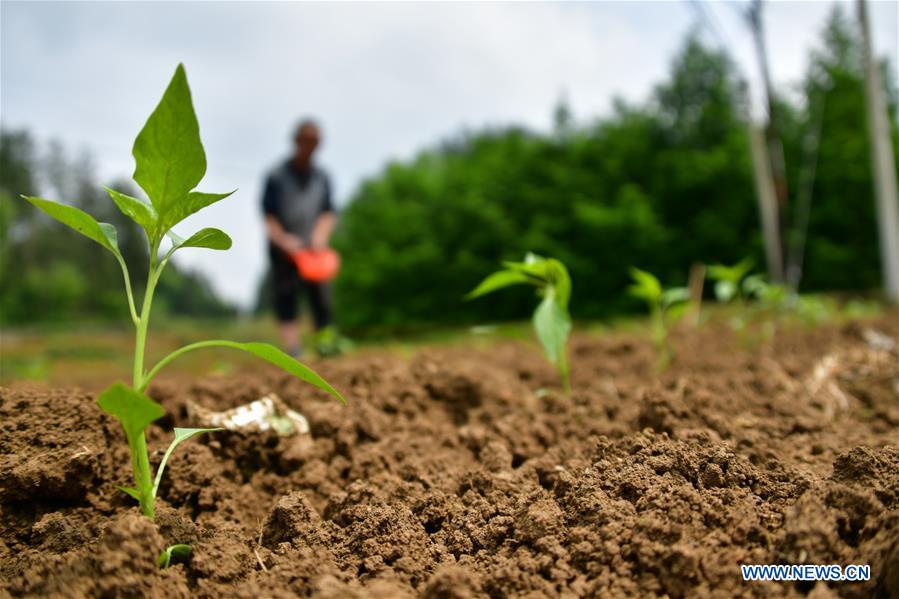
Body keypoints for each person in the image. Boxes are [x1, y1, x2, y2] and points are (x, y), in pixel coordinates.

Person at [262, 118, 337, 357]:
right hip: (284, 248)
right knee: (286, 298)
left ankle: (324, 345)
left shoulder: (323, 177)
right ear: (296, 141)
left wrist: (320, 236)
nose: (310, 146)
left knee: (321, 298)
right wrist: (283, 240)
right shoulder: (276, 175)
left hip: (313, 250)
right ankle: (293, 350)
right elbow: (269, 216)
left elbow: (328, 212)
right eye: (306, 141)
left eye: (314, 142)